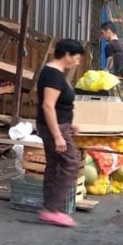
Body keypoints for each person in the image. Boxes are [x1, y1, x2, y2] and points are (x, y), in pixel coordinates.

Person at [35, 38, 85, 227]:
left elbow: (58, 106)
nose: (77, 62)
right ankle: (51, 209)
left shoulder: (54, 72)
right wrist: (58, 136)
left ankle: (49, 207)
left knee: (55, 164)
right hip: (54, 128)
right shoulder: (53, 75)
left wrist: (69, 125)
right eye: (76, 58)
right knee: (70, 163)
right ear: (66, 55)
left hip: (58, 125)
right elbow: (48, 106)